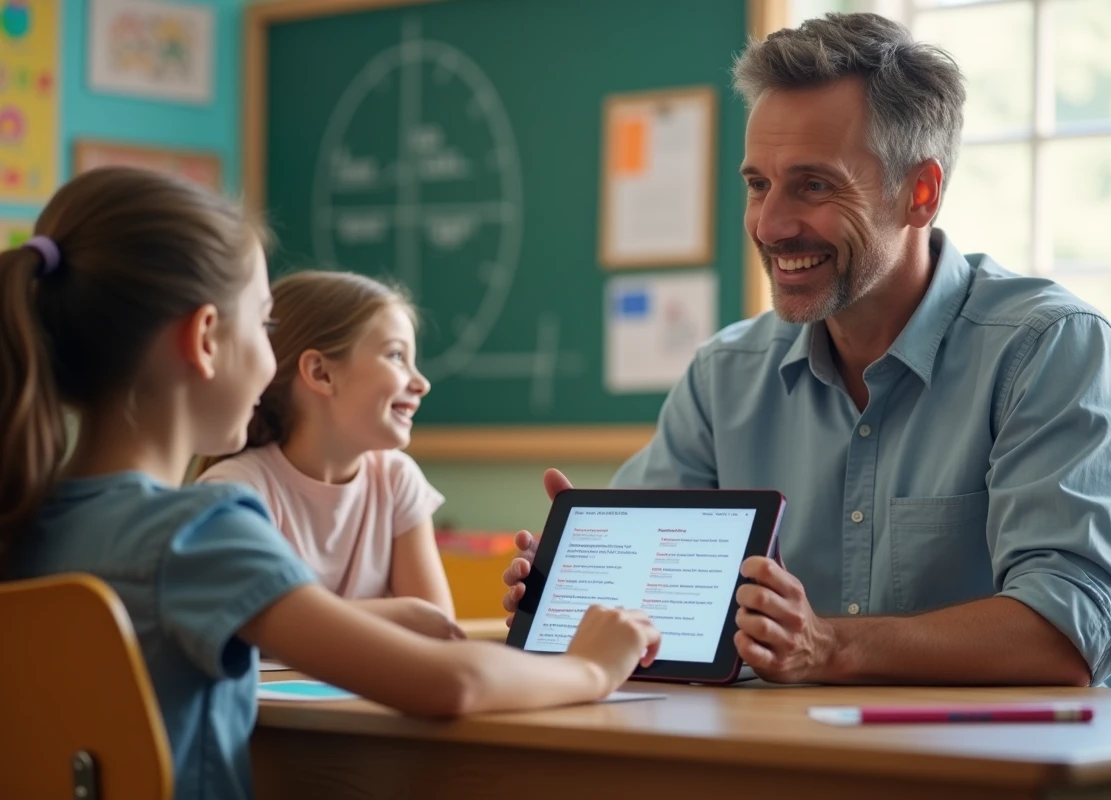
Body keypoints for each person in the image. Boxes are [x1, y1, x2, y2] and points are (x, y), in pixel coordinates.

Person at [503, 13, 1111, 689]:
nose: (771, 224)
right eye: (758, 184)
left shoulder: (1051, 351)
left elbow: (1066, 638)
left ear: (920, 192)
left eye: (814, 185)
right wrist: (581, 584)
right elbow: (653, 624)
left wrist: (828, 646)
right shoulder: (724, 376)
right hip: (794, 761)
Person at [0, 167, 660, 800]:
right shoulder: (199, 530)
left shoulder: (22, 519)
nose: (270, 355)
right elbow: (448, 685)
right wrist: (590, 668)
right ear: (205, 339)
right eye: (263, 325)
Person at [196, 271, 458, 640]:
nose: (421, 383)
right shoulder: (237, 491)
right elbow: (248, 627)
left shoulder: (398, 480)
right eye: (397, 356)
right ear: (321, 373)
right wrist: (396, 614)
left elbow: (436, 626)